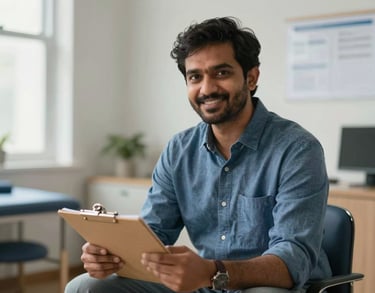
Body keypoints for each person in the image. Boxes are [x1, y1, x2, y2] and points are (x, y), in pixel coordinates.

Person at [66, 16, 331, 293]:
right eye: (195, 77)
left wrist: (212, 271)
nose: (206, 89)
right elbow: (155, 234)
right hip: (206, 282)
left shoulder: (298, 149)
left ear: (251, 78)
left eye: (221, 73)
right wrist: (113, 255)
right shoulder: (179, 150)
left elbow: (293, 260)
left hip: (272, 284)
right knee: (86, 287)